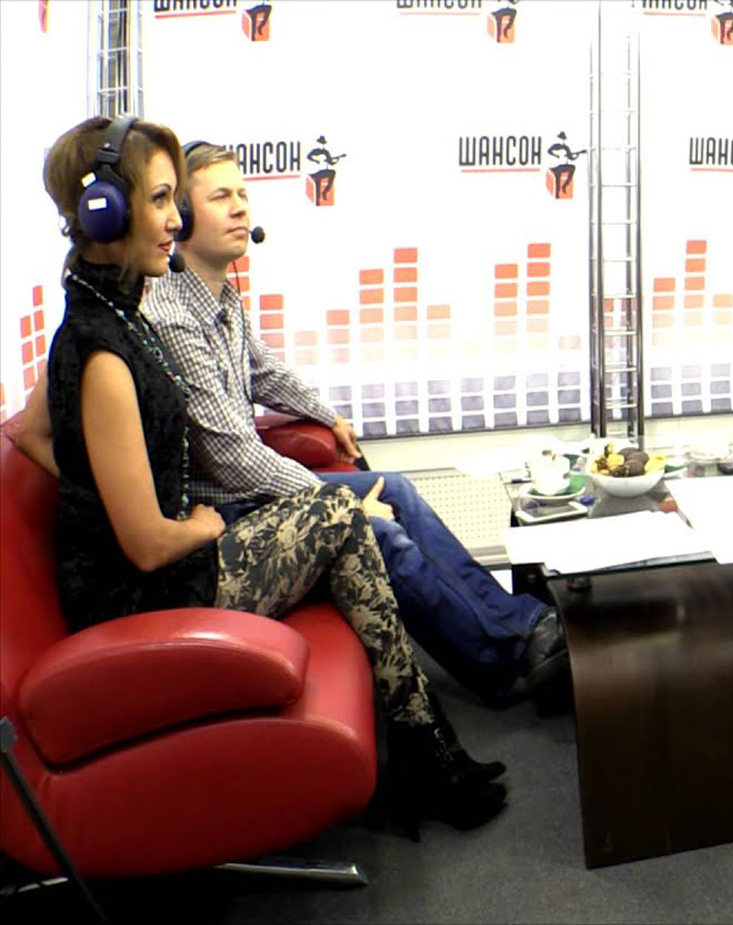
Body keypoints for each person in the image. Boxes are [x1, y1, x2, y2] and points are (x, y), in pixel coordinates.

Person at [30, 114, 507, 839]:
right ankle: (425, 749)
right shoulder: (104, 351)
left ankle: (422, 744)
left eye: (174, 201)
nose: (174, 220)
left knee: (344, 521)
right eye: (159, 201)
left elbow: (36, 433)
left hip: (165, 563)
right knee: (342, 516)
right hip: (143, 590)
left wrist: (96, 480)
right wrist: (198, 523)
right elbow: (148, 544)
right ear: (107, 212)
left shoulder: (103, 315)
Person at [139, 140, 569, 712]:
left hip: (251, 495)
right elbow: (234, 459)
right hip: (226, 512)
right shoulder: (171, 314)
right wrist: (343, 505)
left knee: (399, 490)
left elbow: (265, 372)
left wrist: (328, 414)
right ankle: (506, 657)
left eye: (243, 193)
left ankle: (526, 625)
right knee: (378, 530)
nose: (241, 207)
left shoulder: (220, 300)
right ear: (183, 217)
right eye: (221, 197)